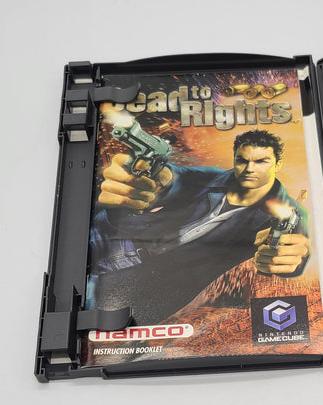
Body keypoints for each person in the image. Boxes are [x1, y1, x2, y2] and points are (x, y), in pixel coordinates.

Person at [88, 128, 311, 324]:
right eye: (242, 160)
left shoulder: (290, 212)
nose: (249, 169)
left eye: (261, 161)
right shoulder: (211, 177)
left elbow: (296, 251)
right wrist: (151, 180)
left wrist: (292, 259)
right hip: (110, 239)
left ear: (278, 164)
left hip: (145, 284)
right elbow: (175, 178)